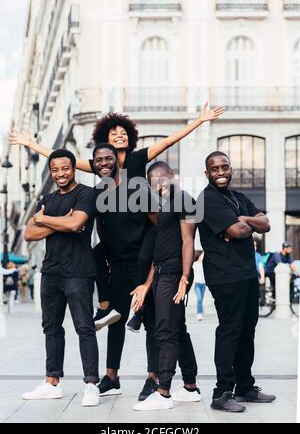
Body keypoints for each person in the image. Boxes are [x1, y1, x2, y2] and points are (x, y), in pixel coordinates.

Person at [8, 106, 225, 323]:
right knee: (96, 253)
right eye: (114, 134)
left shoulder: (138, 158)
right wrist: (30, 144)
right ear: (106, 141)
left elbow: (168, 142)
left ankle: (140, 309)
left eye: (123, 133)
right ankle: (104, 307)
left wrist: (199, 120)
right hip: (118, 232)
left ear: (129, 138)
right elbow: (65, 161)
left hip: (143, 225)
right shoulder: (103, 164)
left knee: (142, 258)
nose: (119, 136)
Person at [198, 151, 276, 413]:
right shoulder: (207, 200)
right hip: (224, 275)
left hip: (246, 273)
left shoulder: (239, 198)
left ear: (231, 169)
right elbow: (237, 231)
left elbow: (265, 224)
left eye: (225, 167)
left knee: (247, 331)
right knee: (230, 331)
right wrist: (244, 223)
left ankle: (244, 386)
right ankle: (221, 393)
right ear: (206, 173)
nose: (220, 172)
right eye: (215, 169)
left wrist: (245, 219)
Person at [22, 149, 100, 407]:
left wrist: (44, 219)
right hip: (51, 272)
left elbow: (75, 224)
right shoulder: (48, 198)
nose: (60, 174)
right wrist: (58, 221)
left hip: (78, 271)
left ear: (73, 168)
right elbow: (29, 234)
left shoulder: (86, 194)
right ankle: (51, 382)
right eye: (55, 170)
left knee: (84, 328)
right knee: (51, 328)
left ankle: (91, 385)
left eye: (65, 168)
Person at [93, 143, 160, 400]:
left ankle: (152, 378)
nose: (104, 163)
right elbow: (102, 226)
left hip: (143, 262)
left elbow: (158, 223)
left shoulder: (137, 188)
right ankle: (111, 377)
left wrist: (153, 263)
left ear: (117, 161)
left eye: (108, 158)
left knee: (152, 323)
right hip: (119, 265)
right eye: (98, 160)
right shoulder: (100, 192)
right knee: (115, 321)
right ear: (94, 163)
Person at [133, 161, 200, 411]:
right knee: (178, 330)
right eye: (153, 182)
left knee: (165, 331)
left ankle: (163, 393)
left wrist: (184, 277)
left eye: (161, 178)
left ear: (172, 175)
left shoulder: (184, 199)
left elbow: (187, 241)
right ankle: (191, 387)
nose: (158, 185)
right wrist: (147, 284)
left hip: (174, 273)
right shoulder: (166, 206)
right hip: (163, 271)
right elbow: (158, 252)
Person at [193, 251, 206, 321]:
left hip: (203, 284)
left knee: (201, 300)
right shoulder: (194, 264)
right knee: (199, 299)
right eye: (202, 255)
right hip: (197, 284)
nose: (203, 256)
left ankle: (200, 311)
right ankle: (199, 314)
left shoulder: (204, 264)